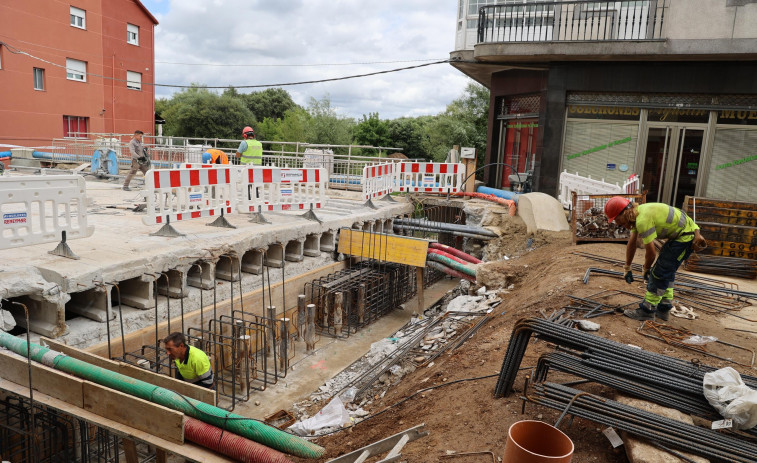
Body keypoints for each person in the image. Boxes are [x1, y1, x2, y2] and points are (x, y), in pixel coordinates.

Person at [605, 197, 707, 321]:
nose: (616, 223)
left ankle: (647, 311)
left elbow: (651, 253)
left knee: (659, 273)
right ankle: (663, 309)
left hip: (685, 238)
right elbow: (632, 243)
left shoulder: (642, 220)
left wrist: (646, 269)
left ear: (624, 213)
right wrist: (627, 267)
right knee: (666, 272)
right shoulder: (635, 214)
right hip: (681, 236)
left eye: (616, 219)